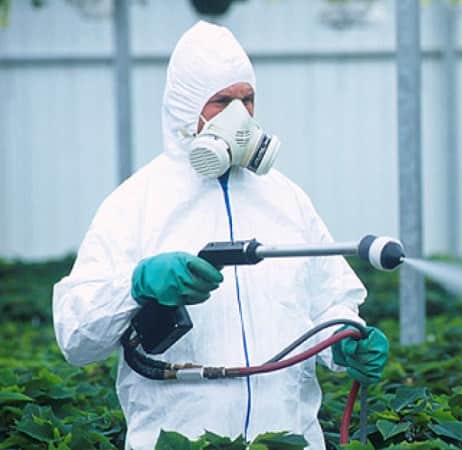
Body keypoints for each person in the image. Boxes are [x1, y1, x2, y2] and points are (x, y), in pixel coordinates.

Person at [52, 21, 388, 450]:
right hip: (181, 441)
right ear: (184, 110)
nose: (241, 117)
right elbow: (75, 335)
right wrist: (136, 285)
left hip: (288, 440)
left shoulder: (286, 199)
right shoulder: (137, 202)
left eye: (248, 99)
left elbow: (330, 297)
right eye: (222, 102)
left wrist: (344, 339)